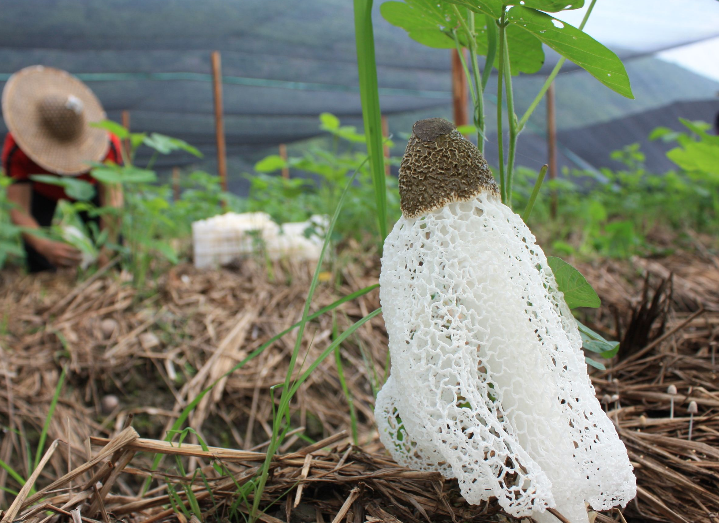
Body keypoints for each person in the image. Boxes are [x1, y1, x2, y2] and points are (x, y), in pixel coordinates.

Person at [2, 65, 124, 273]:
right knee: (37, 259)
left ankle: (113, 274)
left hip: (89, 189)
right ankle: (42, 277)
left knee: (113, 250)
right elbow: (19, 209)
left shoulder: (106, 144)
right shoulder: (18, 148)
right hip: (40, 192)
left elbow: (112, 202)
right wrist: (45, 246)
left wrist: (106, 252)